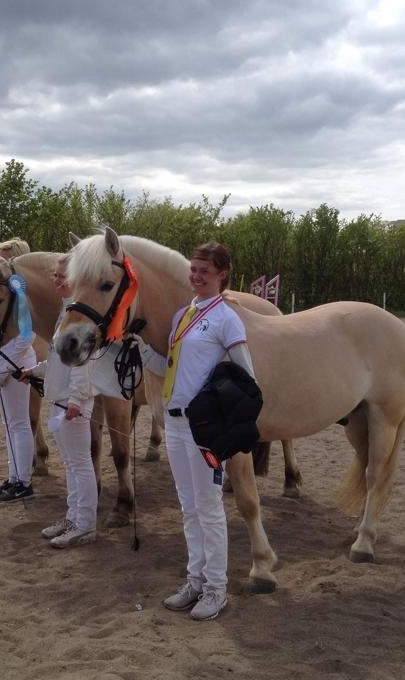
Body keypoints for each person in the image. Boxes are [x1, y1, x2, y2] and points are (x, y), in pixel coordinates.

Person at [136, 241, 255, 621]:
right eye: (194, 269)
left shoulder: (227, 318)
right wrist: (137, 346)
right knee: (188, 508)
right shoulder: (182, 315)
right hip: (173, 421)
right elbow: (168, 364)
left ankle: (216, 588)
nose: (197, 276)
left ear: (223, 275)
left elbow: (245, 378)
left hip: (202, 427)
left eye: (205, 271)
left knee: (209, 508)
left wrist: (222, 419)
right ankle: (196, 580)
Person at [20, 257, 98, 549]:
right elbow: (58, 356)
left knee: (79, 464)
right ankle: (73, 516)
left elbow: (83, 362)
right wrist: (36, 371)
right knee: (70, 463)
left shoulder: (81, 316)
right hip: (60, 397)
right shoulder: (65, 310)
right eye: (55, 275)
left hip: (72, 402)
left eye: (62, 276)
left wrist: (77, 398)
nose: (56, 280)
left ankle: (85, 524)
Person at [0, 238, 37, 503]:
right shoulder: (3, 292)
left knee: (19, 423)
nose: (0, 263)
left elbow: (27, 334)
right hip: (0, 363)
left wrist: (5, 365)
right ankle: (13, 476)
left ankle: (24, 482)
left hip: (16, 362)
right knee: (8, 424)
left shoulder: (20, 293)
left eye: (5, 258)